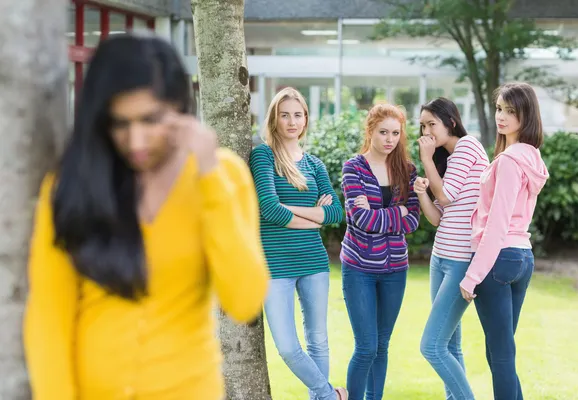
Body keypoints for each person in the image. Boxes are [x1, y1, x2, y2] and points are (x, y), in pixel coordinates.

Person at [23, 33, 269, 400]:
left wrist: (209, 177)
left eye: (150, 120)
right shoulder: (71, 185)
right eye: (120, 124)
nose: (136, 141)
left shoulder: (224, 177)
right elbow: (49, 319)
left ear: (180, 107)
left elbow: (244, 300)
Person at [249, 87, 347, 400]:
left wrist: (295, 212)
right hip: (275, 265)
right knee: (288, 347)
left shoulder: (315, 164)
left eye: (298, 114)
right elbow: (269, 209)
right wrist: (314, 217)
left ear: (306, 119)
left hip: (314, 262)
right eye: (285, 114)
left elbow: (335, 212)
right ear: (274, 119)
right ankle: (331, 396)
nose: (292, 121)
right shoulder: (263, 155)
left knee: (318, 340)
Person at [459, 82, 549, 400]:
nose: (502, 116)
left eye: (511, 111)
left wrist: (472, 276)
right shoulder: (531, 158)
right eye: (499, 108)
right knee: (502, 353)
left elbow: (497, 225)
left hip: (499, 259)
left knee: (500, 355)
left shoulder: (510, 161)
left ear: (526, 116)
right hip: (522, 257)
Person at [340, 103, 420, 400]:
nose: (389, 139)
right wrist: (396, 212)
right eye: (383, 132)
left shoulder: (407, 171)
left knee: (383, 345)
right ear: (370, 130)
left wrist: (387, 214)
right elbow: (360, 220)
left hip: (395, 270)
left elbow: (413, 220)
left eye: (395, 133)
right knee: (366, 347)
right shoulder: (353, 168)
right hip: (359, 267)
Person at [414, 97, 489, 400]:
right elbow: (436, 217)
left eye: (432, 124)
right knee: (449, 345)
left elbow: (445, 197)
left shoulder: (468, 146)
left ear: (451, 122)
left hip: (461, 262)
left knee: (431, 346)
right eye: (422, 126)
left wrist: (427, 160)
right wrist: (421, 193)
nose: (427, 131)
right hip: (440, 257)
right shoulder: (447, 158)